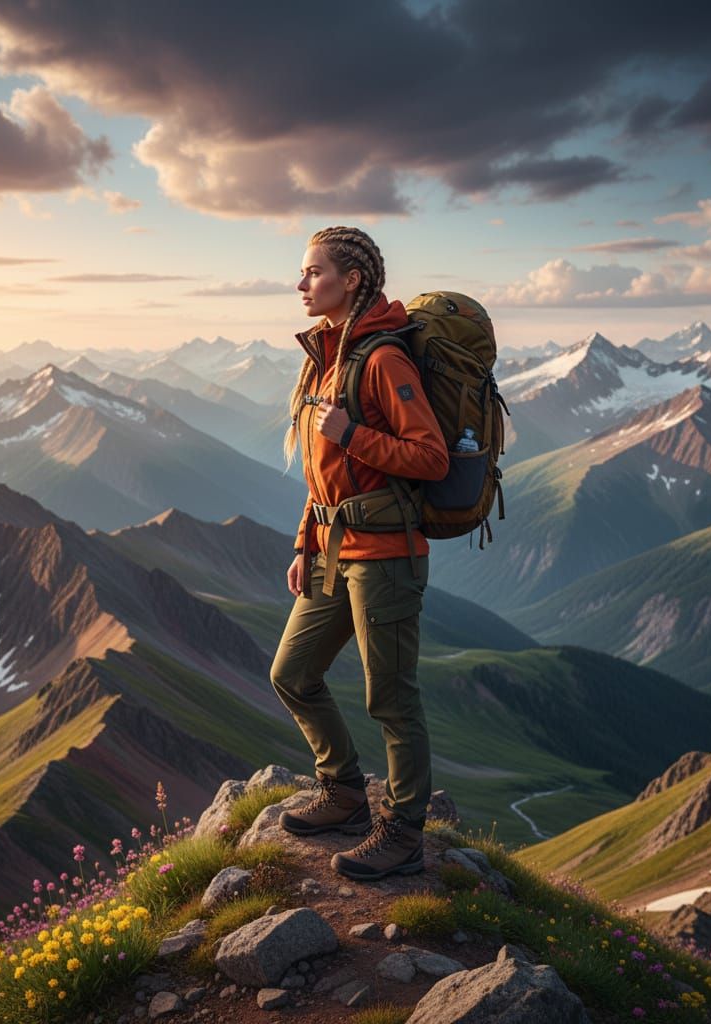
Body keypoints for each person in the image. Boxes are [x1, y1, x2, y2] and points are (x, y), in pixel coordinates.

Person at [269, 225, 449, 882]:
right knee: (292, 673)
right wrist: (304, 543)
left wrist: (357, 433)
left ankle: (402, 833)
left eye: (313, 272)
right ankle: (344, 793)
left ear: (350, 281)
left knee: (392, 698)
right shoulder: (328, 357)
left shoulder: (381, 360)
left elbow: (430, 458)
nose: (301, 283)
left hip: (385, 556)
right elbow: (324, 476)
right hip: (332, 548)